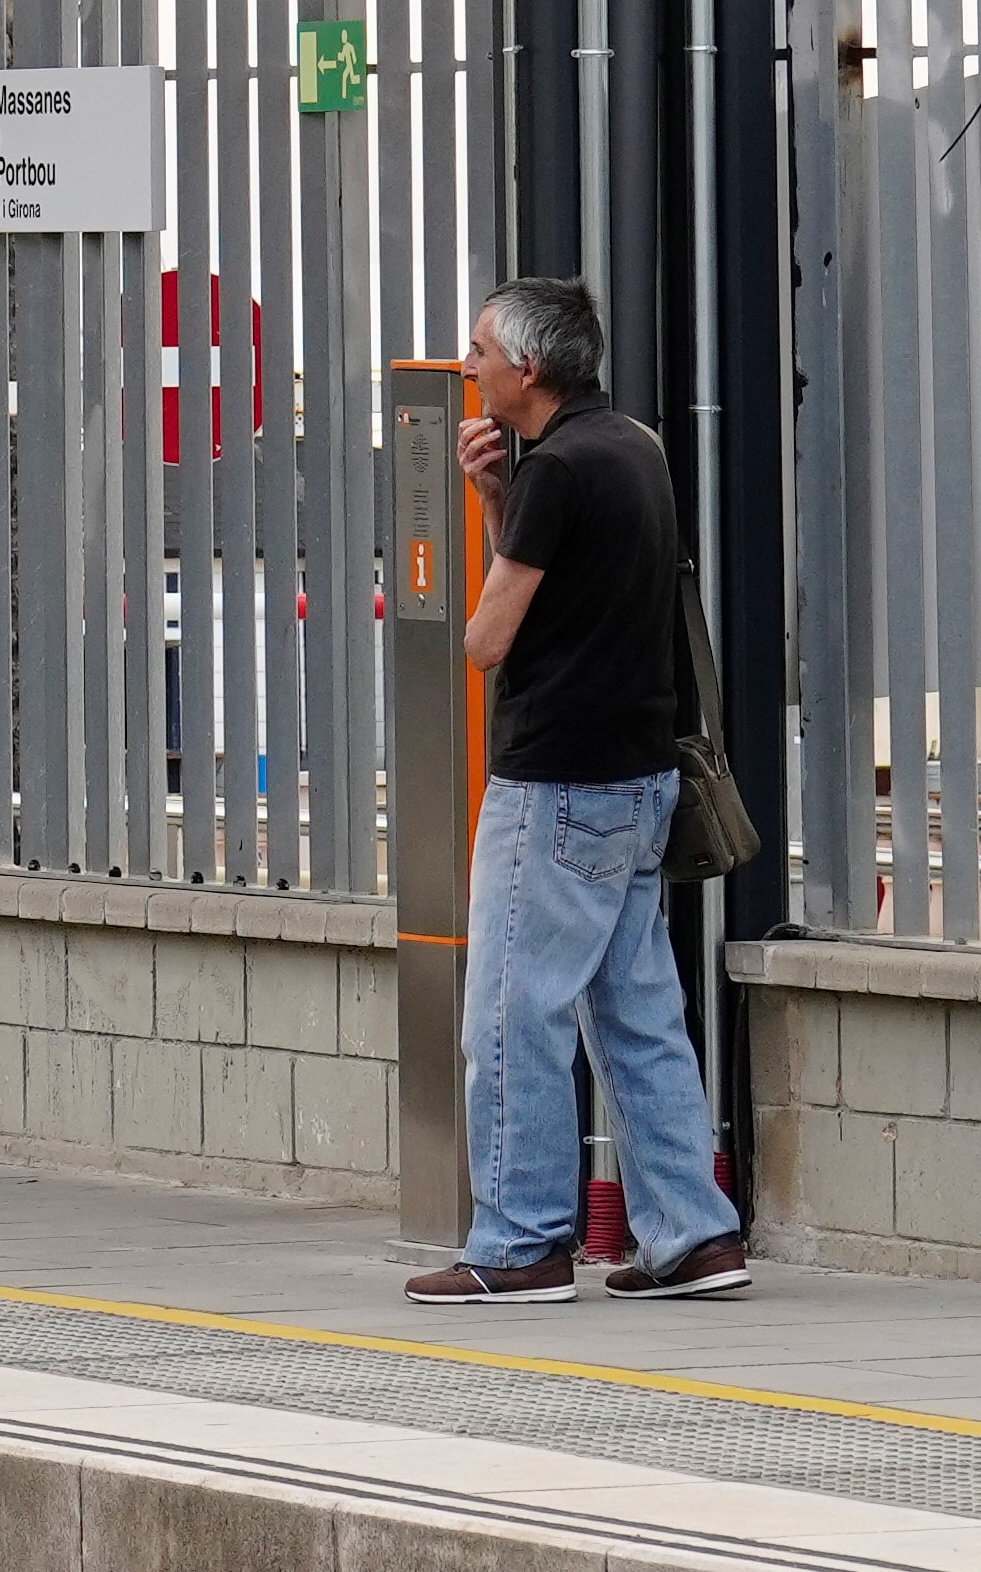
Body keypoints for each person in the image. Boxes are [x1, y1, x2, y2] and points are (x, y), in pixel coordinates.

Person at [411, 276, 748, 1305]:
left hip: (554, 786)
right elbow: (586, 581)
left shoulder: (558, 469)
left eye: (479, 349)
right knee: (637, 1013)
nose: (468, 365)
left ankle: (518, 1241)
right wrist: (489, 494)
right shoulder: (635, 444)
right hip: (638, 780)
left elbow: (487, 636)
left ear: (530, 366)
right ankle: (693, 1234)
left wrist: (493, 520)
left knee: (512, 1016)